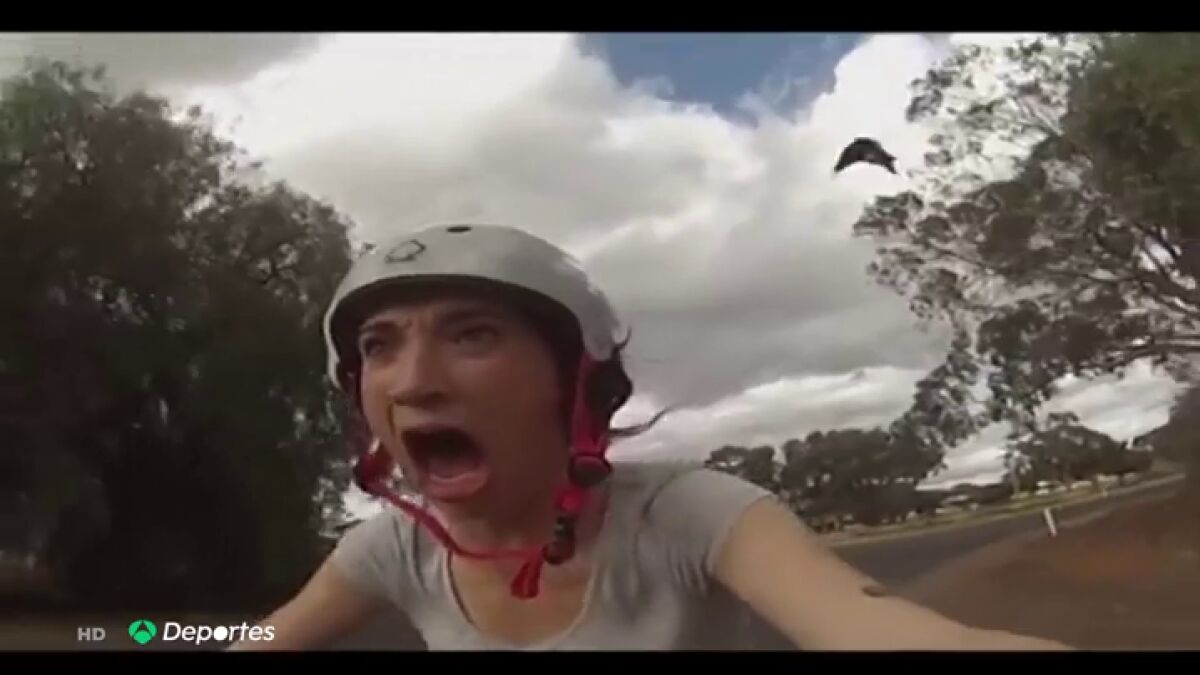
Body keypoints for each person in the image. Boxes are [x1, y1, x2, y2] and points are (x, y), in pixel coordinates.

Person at [230, 223, 1069, 651]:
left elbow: (873, 625)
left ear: (576, 381)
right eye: (379, 346)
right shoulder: (391, 549)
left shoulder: (689, 513)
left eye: (473, 334)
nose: (414, 381)